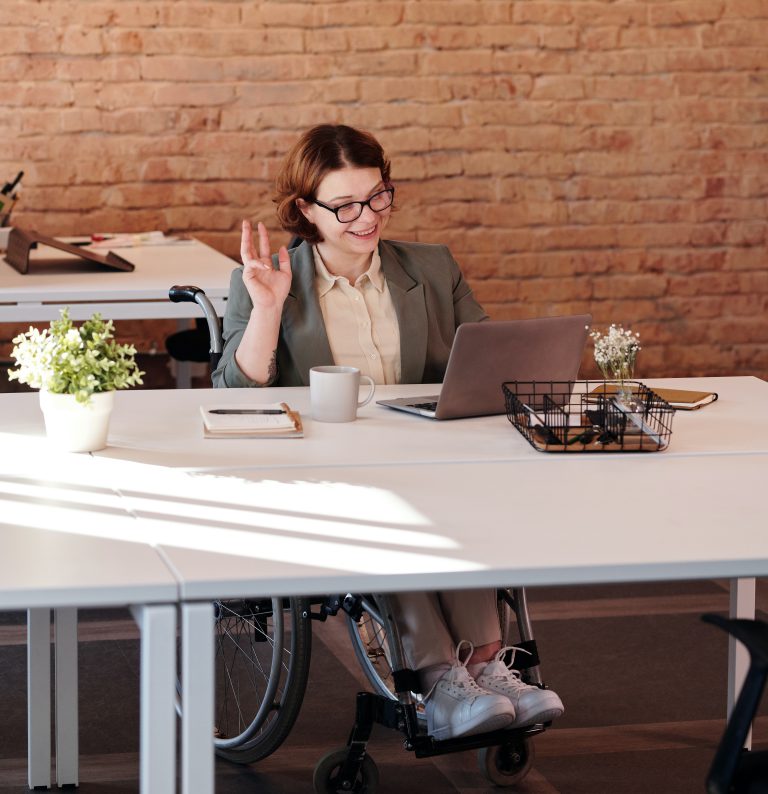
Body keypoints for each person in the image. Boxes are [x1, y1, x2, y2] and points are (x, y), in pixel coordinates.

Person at [213, 124, 564, 740]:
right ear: (305, 210)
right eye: (344, 205)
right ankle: (437, 678)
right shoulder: (270, 278)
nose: (365, 217)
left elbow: (488, 361)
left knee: (461, 500)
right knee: (391, 512)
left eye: (377, 197)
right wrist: (266, 311)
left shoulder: (430, 269)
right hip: (327, 474)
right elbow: (235, 398)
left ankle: (486, 665)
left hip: (426, 460)